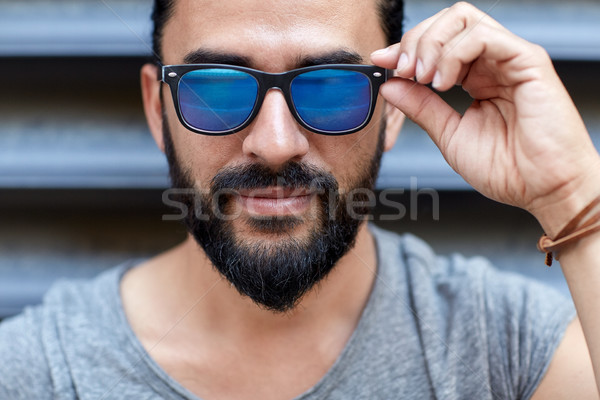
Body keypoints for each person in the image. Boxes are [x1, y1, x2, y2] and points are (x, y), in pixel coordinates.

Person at [1, 0, 600, 398]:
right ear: (160, 109)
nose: (275, 144)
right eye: (218, 88)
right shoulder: (36, 372)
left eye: (331, 88)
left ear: (392, 111)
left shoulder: (508, 351)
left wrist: (571, 191)